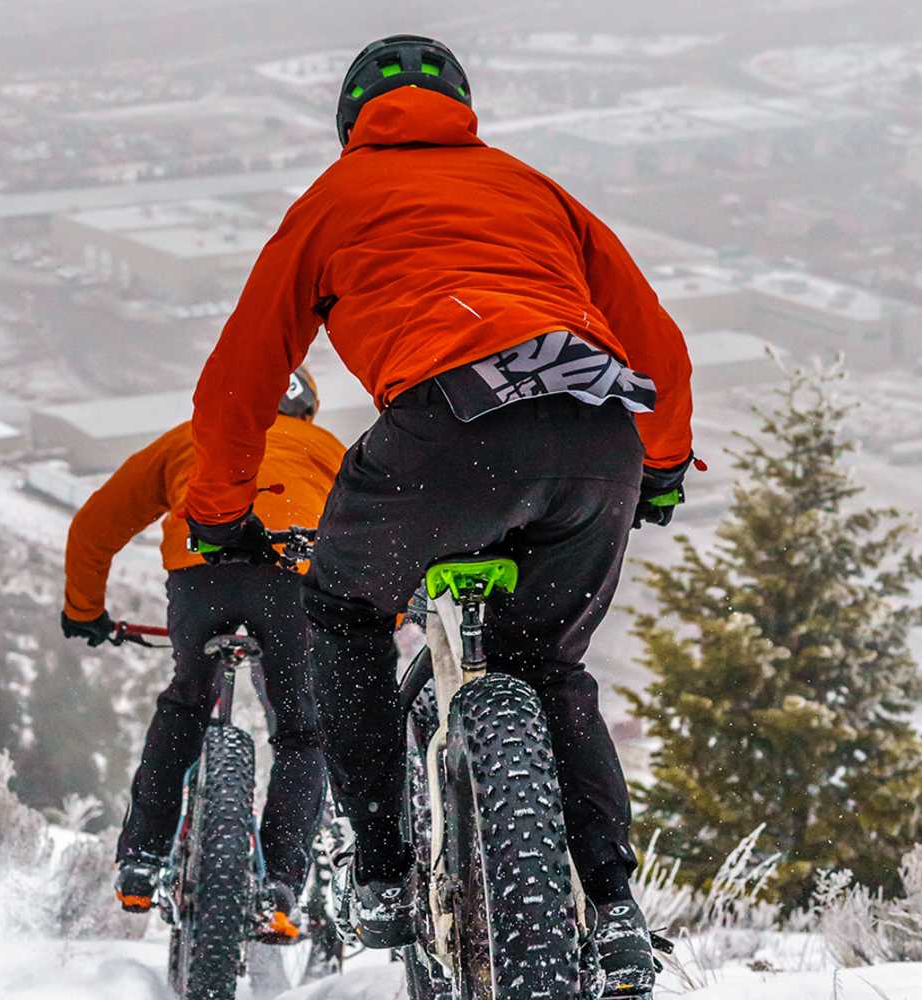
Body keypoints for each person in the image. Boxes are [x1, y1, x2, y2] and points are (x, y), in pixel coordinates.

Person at [180, 35, 695, 997]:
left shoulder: (333, 202)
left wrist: (216, 517)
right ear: (461, 106)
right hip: (596, 438)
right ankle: (616, 909)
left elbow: (238, 383)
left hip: (447, 435)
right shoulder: (535, 190)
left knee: (342, 613)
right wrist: (661, 465)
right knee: (548, 667)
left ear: (350, 121)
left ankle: (379, 870)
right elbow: (655, 337)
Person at [60, 368, 345, 935]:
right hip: (290, 578)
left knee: (187, 703)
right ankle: (280, 884)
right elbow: (375, 526)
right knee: (300, 731)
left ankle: (141, 862)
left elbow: (95, 525)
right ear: (307, 410)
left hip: (201, 574)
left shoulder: (188, 438)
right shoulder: (322, 446)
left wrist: (84, 609)